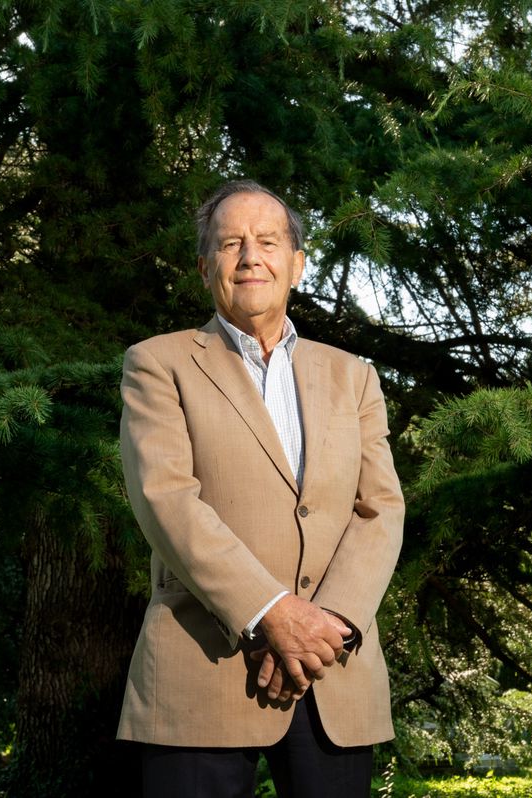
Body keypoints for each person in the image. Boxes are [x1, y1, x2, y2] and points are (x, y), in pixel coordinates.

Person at [116, 179, 405, 797]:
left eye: (268, 241)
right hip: (202, 673)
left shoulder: (354, 377)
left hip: (333, 674)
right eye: (230, 243)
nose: (251, 256)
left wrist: (327, 626)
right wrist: (271, 613)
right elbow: (166, 499)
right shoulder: (157, 364)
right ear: (205, 267)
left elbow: (379, 510)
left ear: (296, 265)